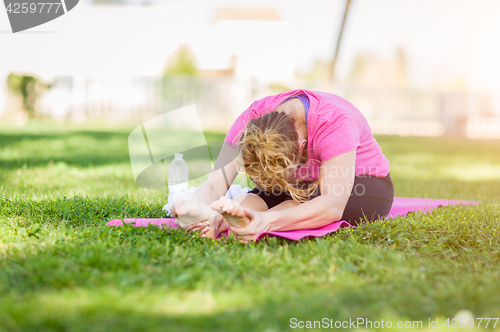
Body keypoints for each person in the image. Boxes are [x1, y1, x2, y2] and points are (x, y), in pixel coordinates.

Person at [171, 89, 394, 241]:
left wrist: (266, 222)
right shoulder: (252, 118)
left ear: (302, 146)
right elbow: (214, 184)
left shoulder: (333, 123)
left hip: (364, 184)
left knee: (306, 199)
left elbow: (332, 205)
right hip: (297, 182)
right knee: (263, 195)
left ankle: (254, 220)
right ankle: (213, 219)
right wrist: (201, 206)